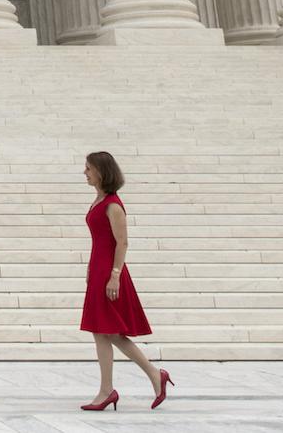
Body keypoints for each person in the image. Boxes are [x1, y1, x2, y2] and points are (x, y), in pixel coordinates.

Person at [80, 151, 173, 411]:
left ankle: (112, 389)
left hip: (110, 272)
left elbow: (122, 242)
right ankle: (147, 378)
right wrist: (90, 267)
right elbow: (99, 240)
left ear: (101, 171)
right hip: (99, 270)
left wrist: (114, 276)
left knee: (107, 332)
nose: (84, 173)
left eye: (88, 168)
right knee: (104, 332)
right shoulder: (98, 200)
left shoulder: (112, 204)